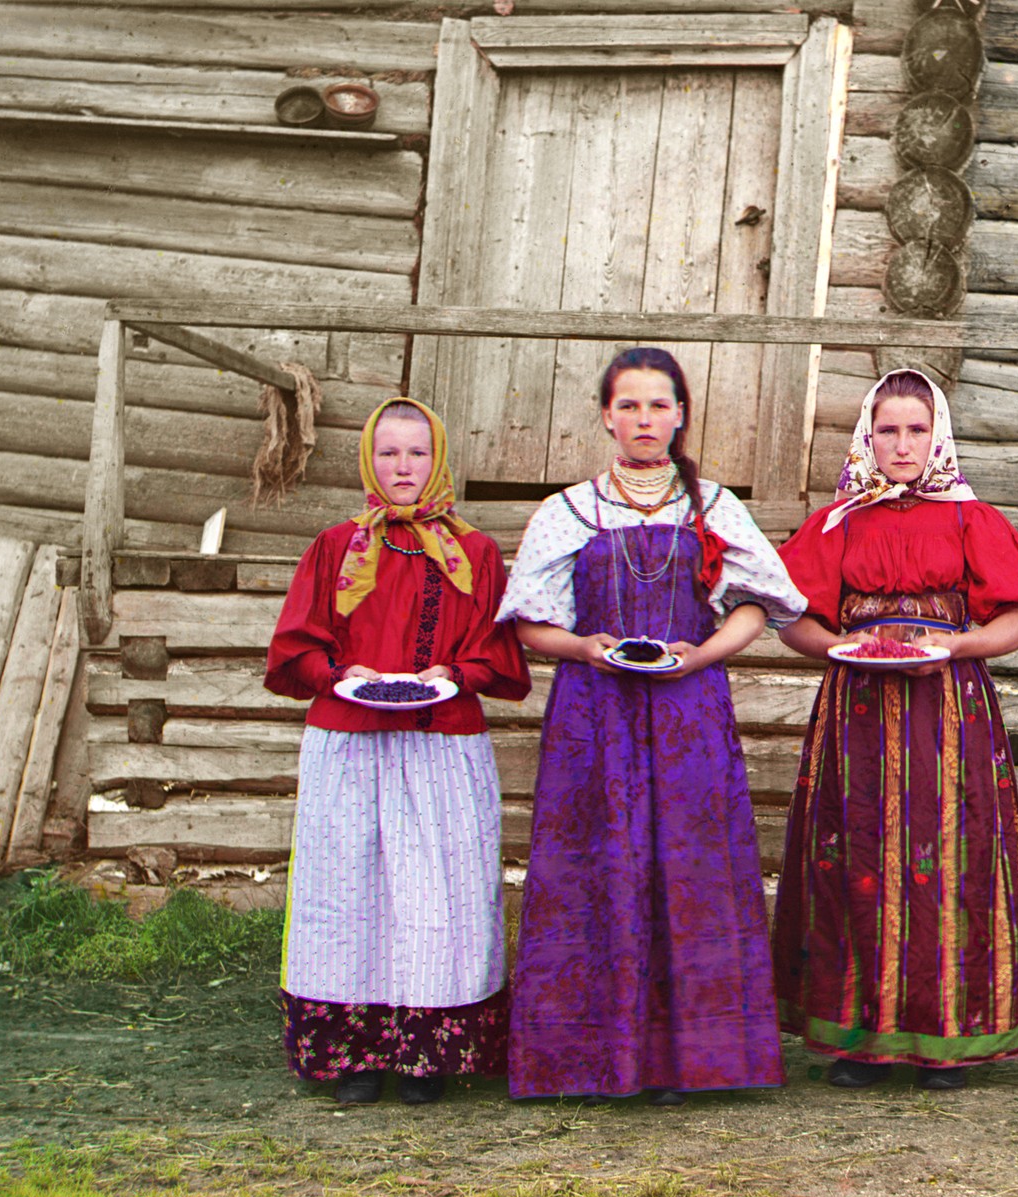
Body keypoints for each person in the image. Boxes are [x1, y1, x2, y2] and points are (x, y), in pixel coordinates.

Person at [497, 347, 807, 1105]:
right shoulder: (566, 511)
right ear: (606, 415)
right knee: (597, 864)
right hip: (593, 714)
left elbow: (757, 604)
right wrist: (584, 647)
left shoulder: (714, 508)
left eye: (658, 405)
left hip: (688, 713)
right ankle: (589, 1057)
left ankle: (688, 1061)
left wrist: (701, 655)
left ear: (681, 414)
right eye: (629, 405)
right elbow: (531, 624)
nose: (644, 419)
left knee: (690, 867)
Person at [773, 368, 1018, 1091]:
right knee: (856, 854)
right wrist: (839, 647)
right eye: (889, 430)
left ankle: (945, 1035)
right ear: (867, 435)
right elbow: (792, 618)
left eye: (916, 429)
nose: (902, 445)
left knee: (947, 858)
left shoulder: (971, 519)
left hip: (946, 712)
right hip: (859, 711)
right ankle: (856, 1037)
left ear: (939, 436)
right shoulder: (839, 522)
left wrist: (955, 646)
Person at [265, 397, 530, 1105]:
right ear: (369, 461)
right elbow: (297, 645)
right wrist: (338, 673)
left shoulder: (473, 552)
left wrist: (456, 673)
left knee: (436, 894)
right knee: (348, 893)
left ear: (437, 457)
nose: (403, 466)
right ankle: (354, 1053)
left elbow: (496, 653)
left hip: (440, 747)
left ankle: (426, 1052)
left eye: (416, 452)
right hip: (349, 747)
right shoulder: (334, 545)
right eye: (389, 453)